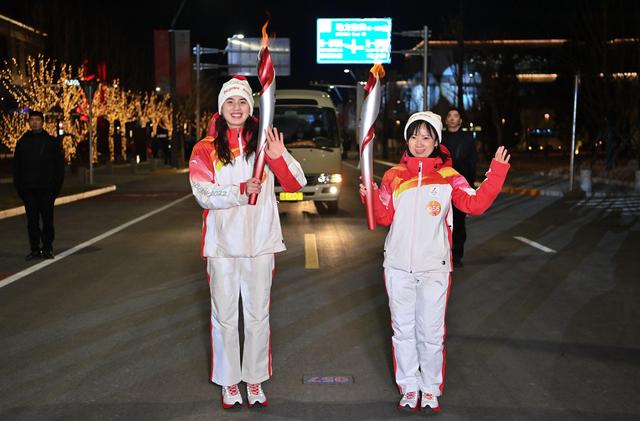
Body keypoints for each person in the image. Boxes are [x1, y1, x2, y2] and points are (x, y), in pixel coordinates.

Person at [359, 111, 510, 412]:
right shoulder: (393, 176)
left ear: (436, 142)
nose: (419, 142)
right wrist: (371, 196)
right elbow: (385, 216)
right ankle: (409, 387)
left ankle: (429, 388)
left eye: (426, 137)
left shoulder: (449, 177)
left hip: (434, 268)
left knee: (430, 332)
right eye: (414, 136)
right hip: (398, 266)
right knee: (402, 331)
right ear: (408, 139)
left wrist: (497, 173)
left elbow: (475, 203)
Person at [189, 76, 306, 409]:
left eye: (242, 102)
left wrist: (279, 156)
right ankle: (229, 381)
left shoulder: (264, 144)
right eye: (230, 102)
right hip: (222, 247)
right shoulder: (204, 149)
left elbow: (296, 183)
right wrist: (240, 192)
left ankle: (253, 380)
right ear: (221, 108)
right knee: (224, 317)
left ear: (250, 108)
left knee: (257, 316)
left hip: (260, 243)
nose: (236, 108)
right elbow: (202, 193)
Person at [12, 111, 65, 260]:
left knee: (48, 220)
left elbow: (59, 168)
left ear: (43, 122)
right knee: (32, 221)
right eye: (32, 120)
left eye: (38, 120)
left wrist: (56, 188)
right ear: (28, 122)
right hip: (28, 190)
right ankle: (34, 248)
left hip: (47, 189)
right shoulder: (22, 142)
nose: (35, 122)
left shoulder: (52, 142)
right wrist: (20, 188)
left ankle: (47, 248)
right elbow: (17, 167)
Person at [441, 107, 478, 267]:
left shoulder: (468, 138)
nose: (452, 118)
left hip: (461, 185)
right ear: (446, 119)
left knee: (459, 221)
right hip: (441, 185)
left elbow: (472, 162)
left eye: (455, 116)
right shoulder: (439, 137)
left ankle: (457, 255)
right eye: (449, 115)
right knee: (440, 218)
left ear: (460, 120)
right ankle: (442, 252)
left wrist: (470, 186)